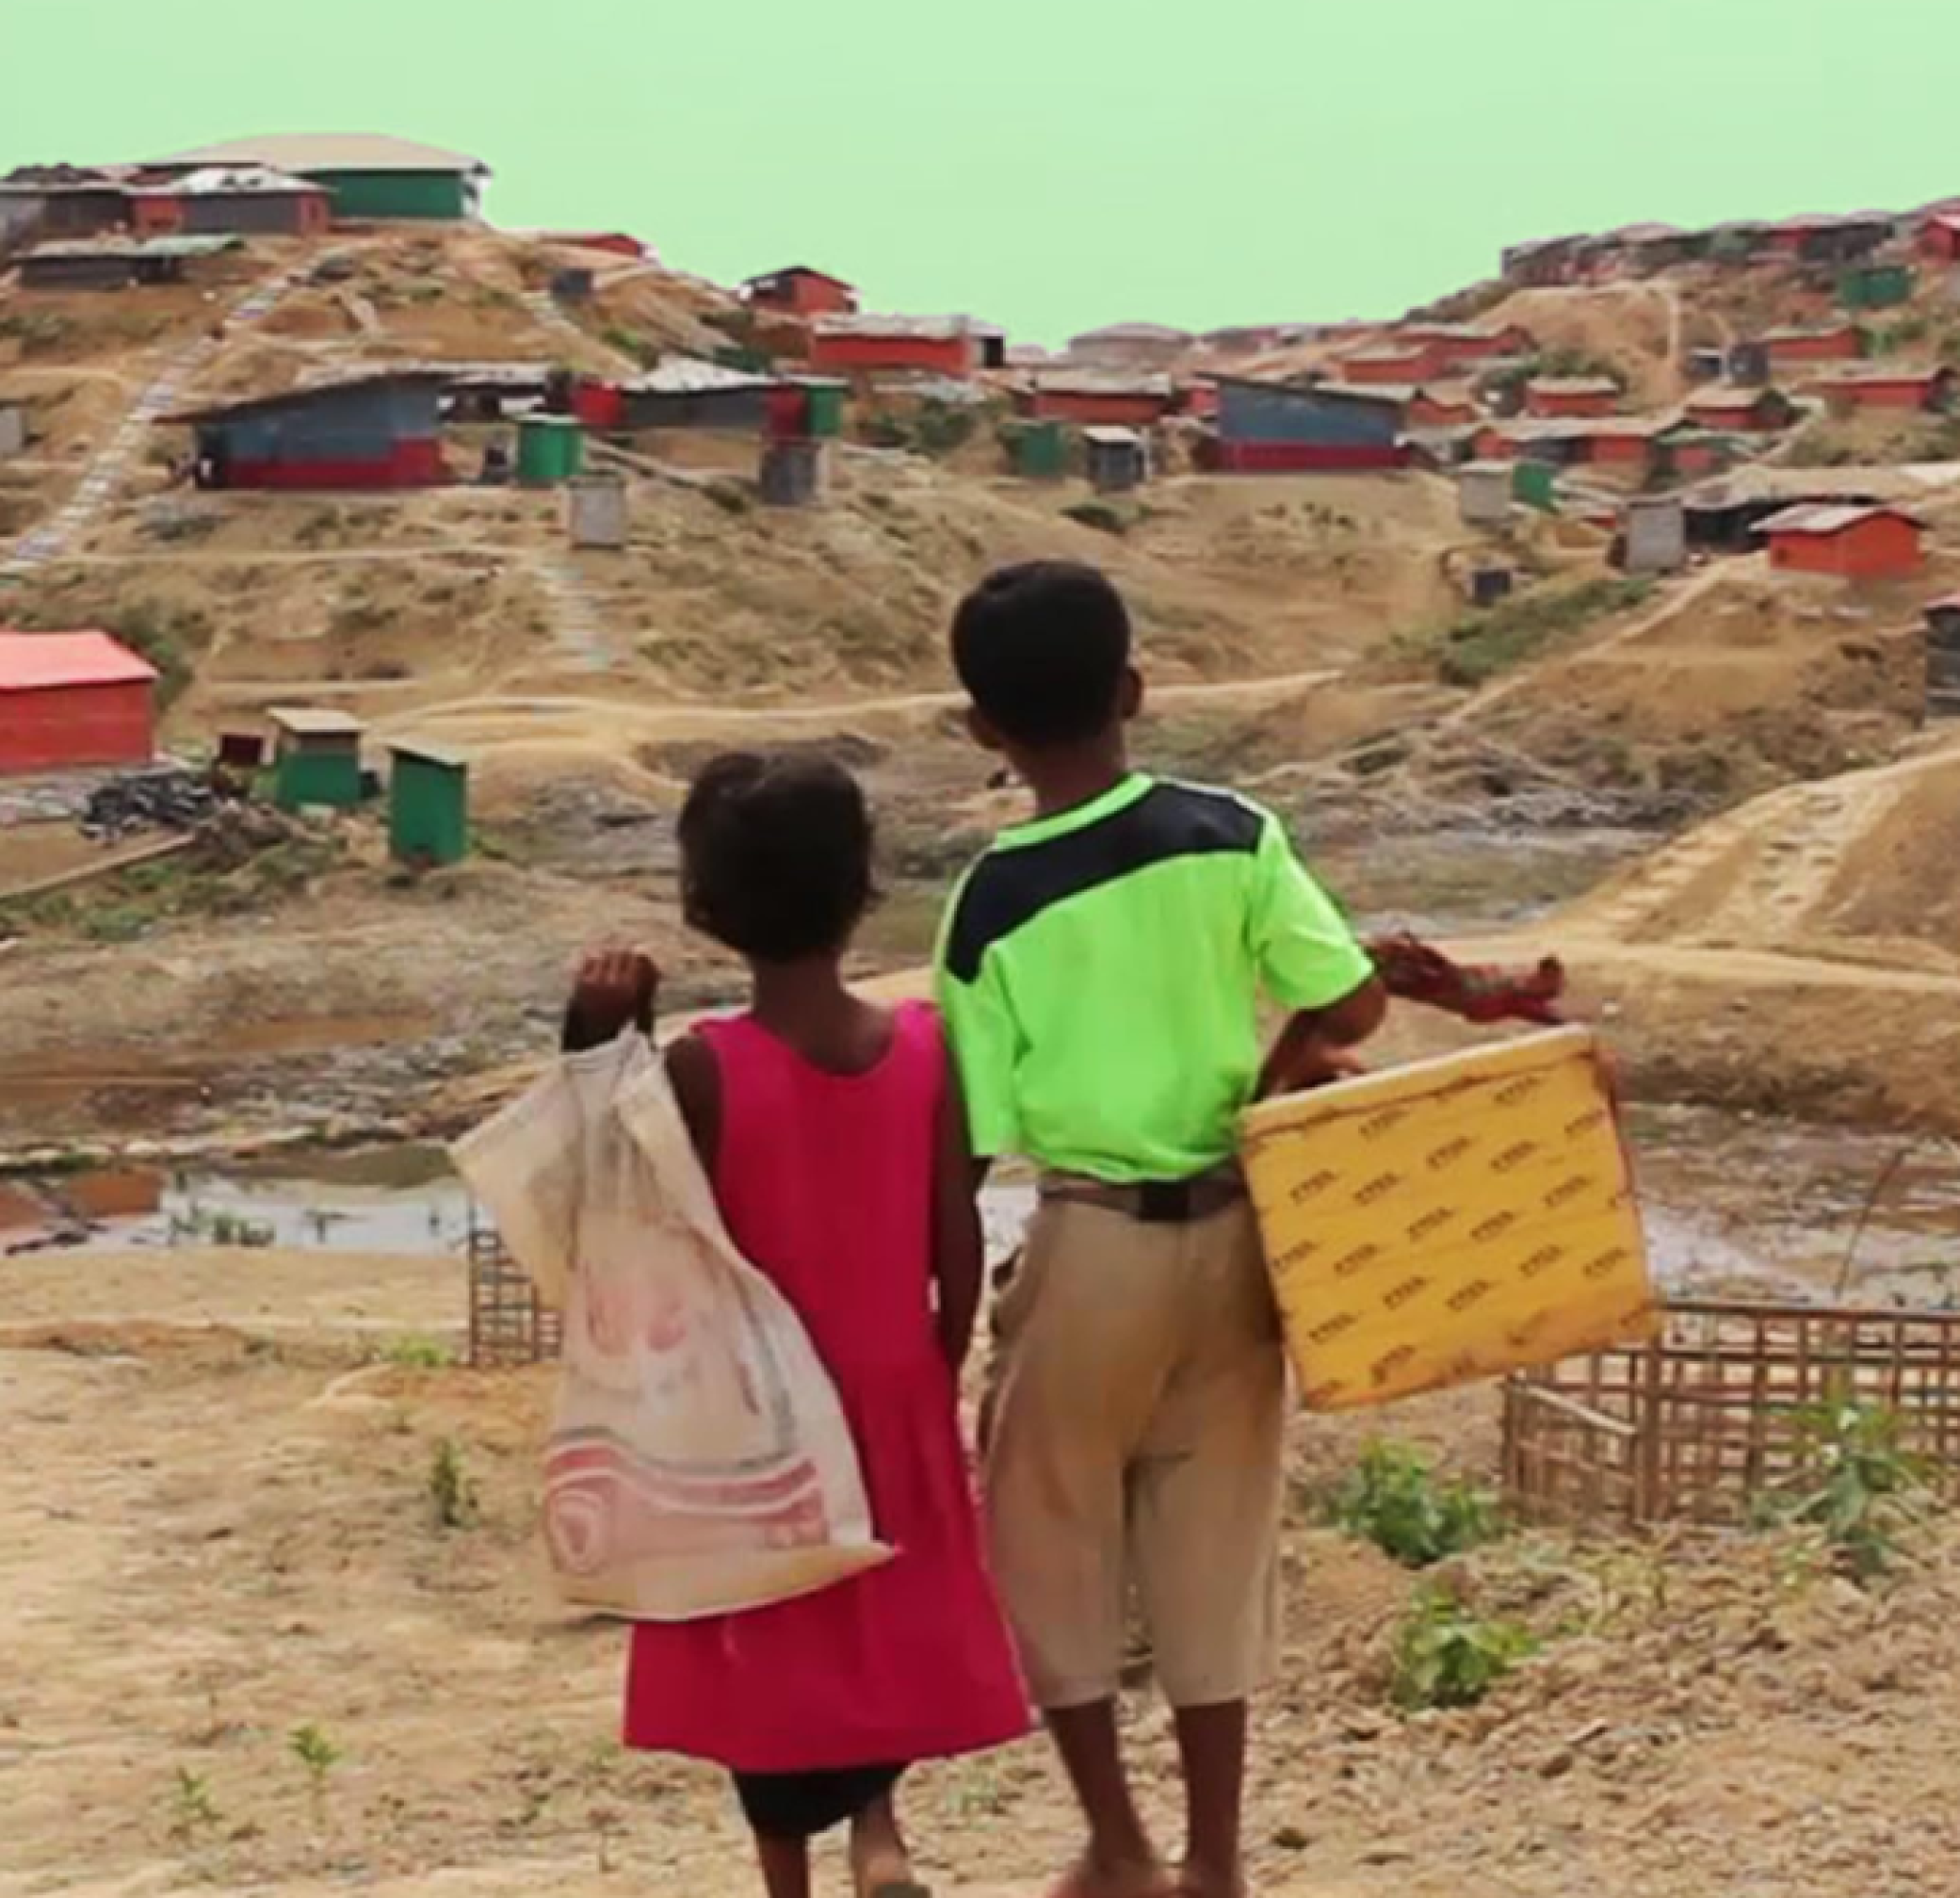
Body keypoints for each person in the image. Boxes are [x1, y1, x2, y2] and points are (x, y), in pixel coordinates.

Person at [935, 562, 1388, 1898]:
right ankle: (1218, 1860)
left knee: (1048, 1528)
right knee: (1216, 1539)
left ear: (982, 730)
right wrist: (1281, 1068)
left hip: (1091, 1243)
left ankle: (1117, 1841)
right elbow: (1352, 1004)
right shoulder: (1231, 830)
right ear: (1136, 691)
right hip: (1243, 1239)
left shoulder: (989, 902)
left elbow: (967, 1140)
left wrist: (937, 1313)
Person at [564, 751, 1028, 1898]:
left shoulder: (705, 1068)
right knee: (880, 1620)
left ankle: (792, 1881)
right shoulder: (923, 1046)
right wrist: (937, 1352)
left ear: (705, 907)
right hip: (891, 1377)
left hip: (755, 1410)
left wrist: (595, 1036)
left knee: (769, 1639)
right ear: (862, 885)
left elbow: (611, 1205)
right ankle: (879, 1828)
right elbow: (953, 1228)